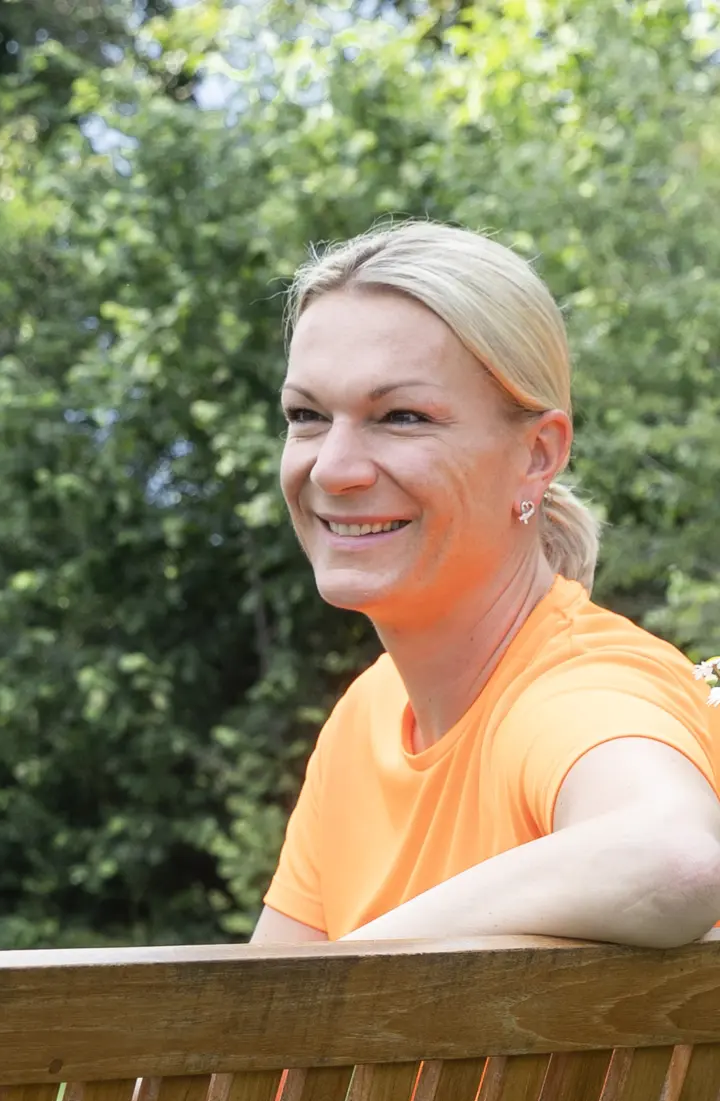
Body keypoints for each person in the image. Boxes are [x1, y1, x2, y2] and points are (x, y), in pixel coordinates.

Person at [249, 221, 720, 949]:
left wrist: (353, 973)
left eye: (400, 417)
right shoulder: (365, 718)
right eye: (307, 416)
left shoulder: (578, 691)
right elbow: (257, 1045)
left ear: (537, 454)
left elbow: (676, 860)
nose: (335, 468)